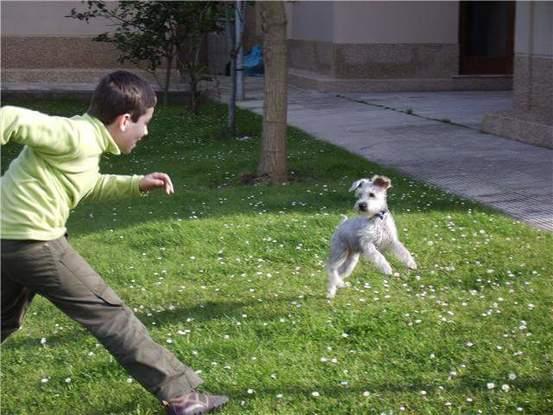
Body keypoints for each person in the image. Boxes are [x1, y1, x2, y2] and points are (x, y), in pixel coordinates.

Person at [0, 70, 228, 415]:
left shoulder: (85, 144)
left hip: (7, 241)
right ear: (124, 120)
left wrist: (137, 182)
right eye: (144, 123)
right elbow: (9, 118)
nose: (146, 131)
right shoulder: (75, 135)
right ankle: (183, 397)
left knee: (3, 318)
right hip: (34, 243)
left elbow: (88, 184)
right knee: (111, 315)